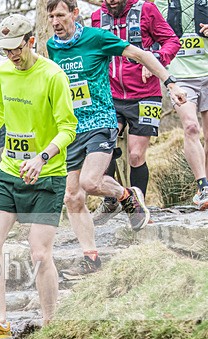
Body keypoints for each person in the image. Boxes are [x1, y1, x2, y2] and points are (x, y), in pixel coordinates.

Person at [46, 0, 187, 280]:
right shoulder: (52, 46)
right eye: (51, 16)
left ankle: (125, 195)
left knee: (90, 182)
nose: (55, 21)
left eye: (60, 15)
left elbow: (140, 54)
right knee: (72, 196)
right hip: (72, 127)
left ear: (74, 14)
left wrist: (169, 82)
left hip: (100, 120)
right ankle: (91, 258)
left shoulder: (96, 37)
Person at [0, 14, 77, 339]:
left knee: (40, 254)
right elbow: (1, 108)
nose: (11, 57)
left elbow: (68, 128)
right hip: (9, 173)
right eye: (6, 51)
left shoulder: (53, 76)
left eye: (16, 49)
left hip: (47, 176)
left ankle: (50, 323)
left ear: (31, 41)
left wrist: (42, 158)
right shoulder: (4, 71)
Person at [90, 0, 182, 225]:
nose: (110, 2)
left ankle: (137, 209)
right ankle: (111, 198)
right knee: (104, 145)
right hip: (109, 94)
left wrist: (155, 61)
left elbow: (171, 41)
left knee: (135, 155)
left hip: (145, 94)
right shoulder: (96, 17)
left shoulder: (147, 9)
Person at [155, 0, 208, 210]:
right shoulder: (160, 3)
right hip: (179, 77)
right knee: (191, 127)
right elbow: (148, 32)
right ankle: (202, 185)